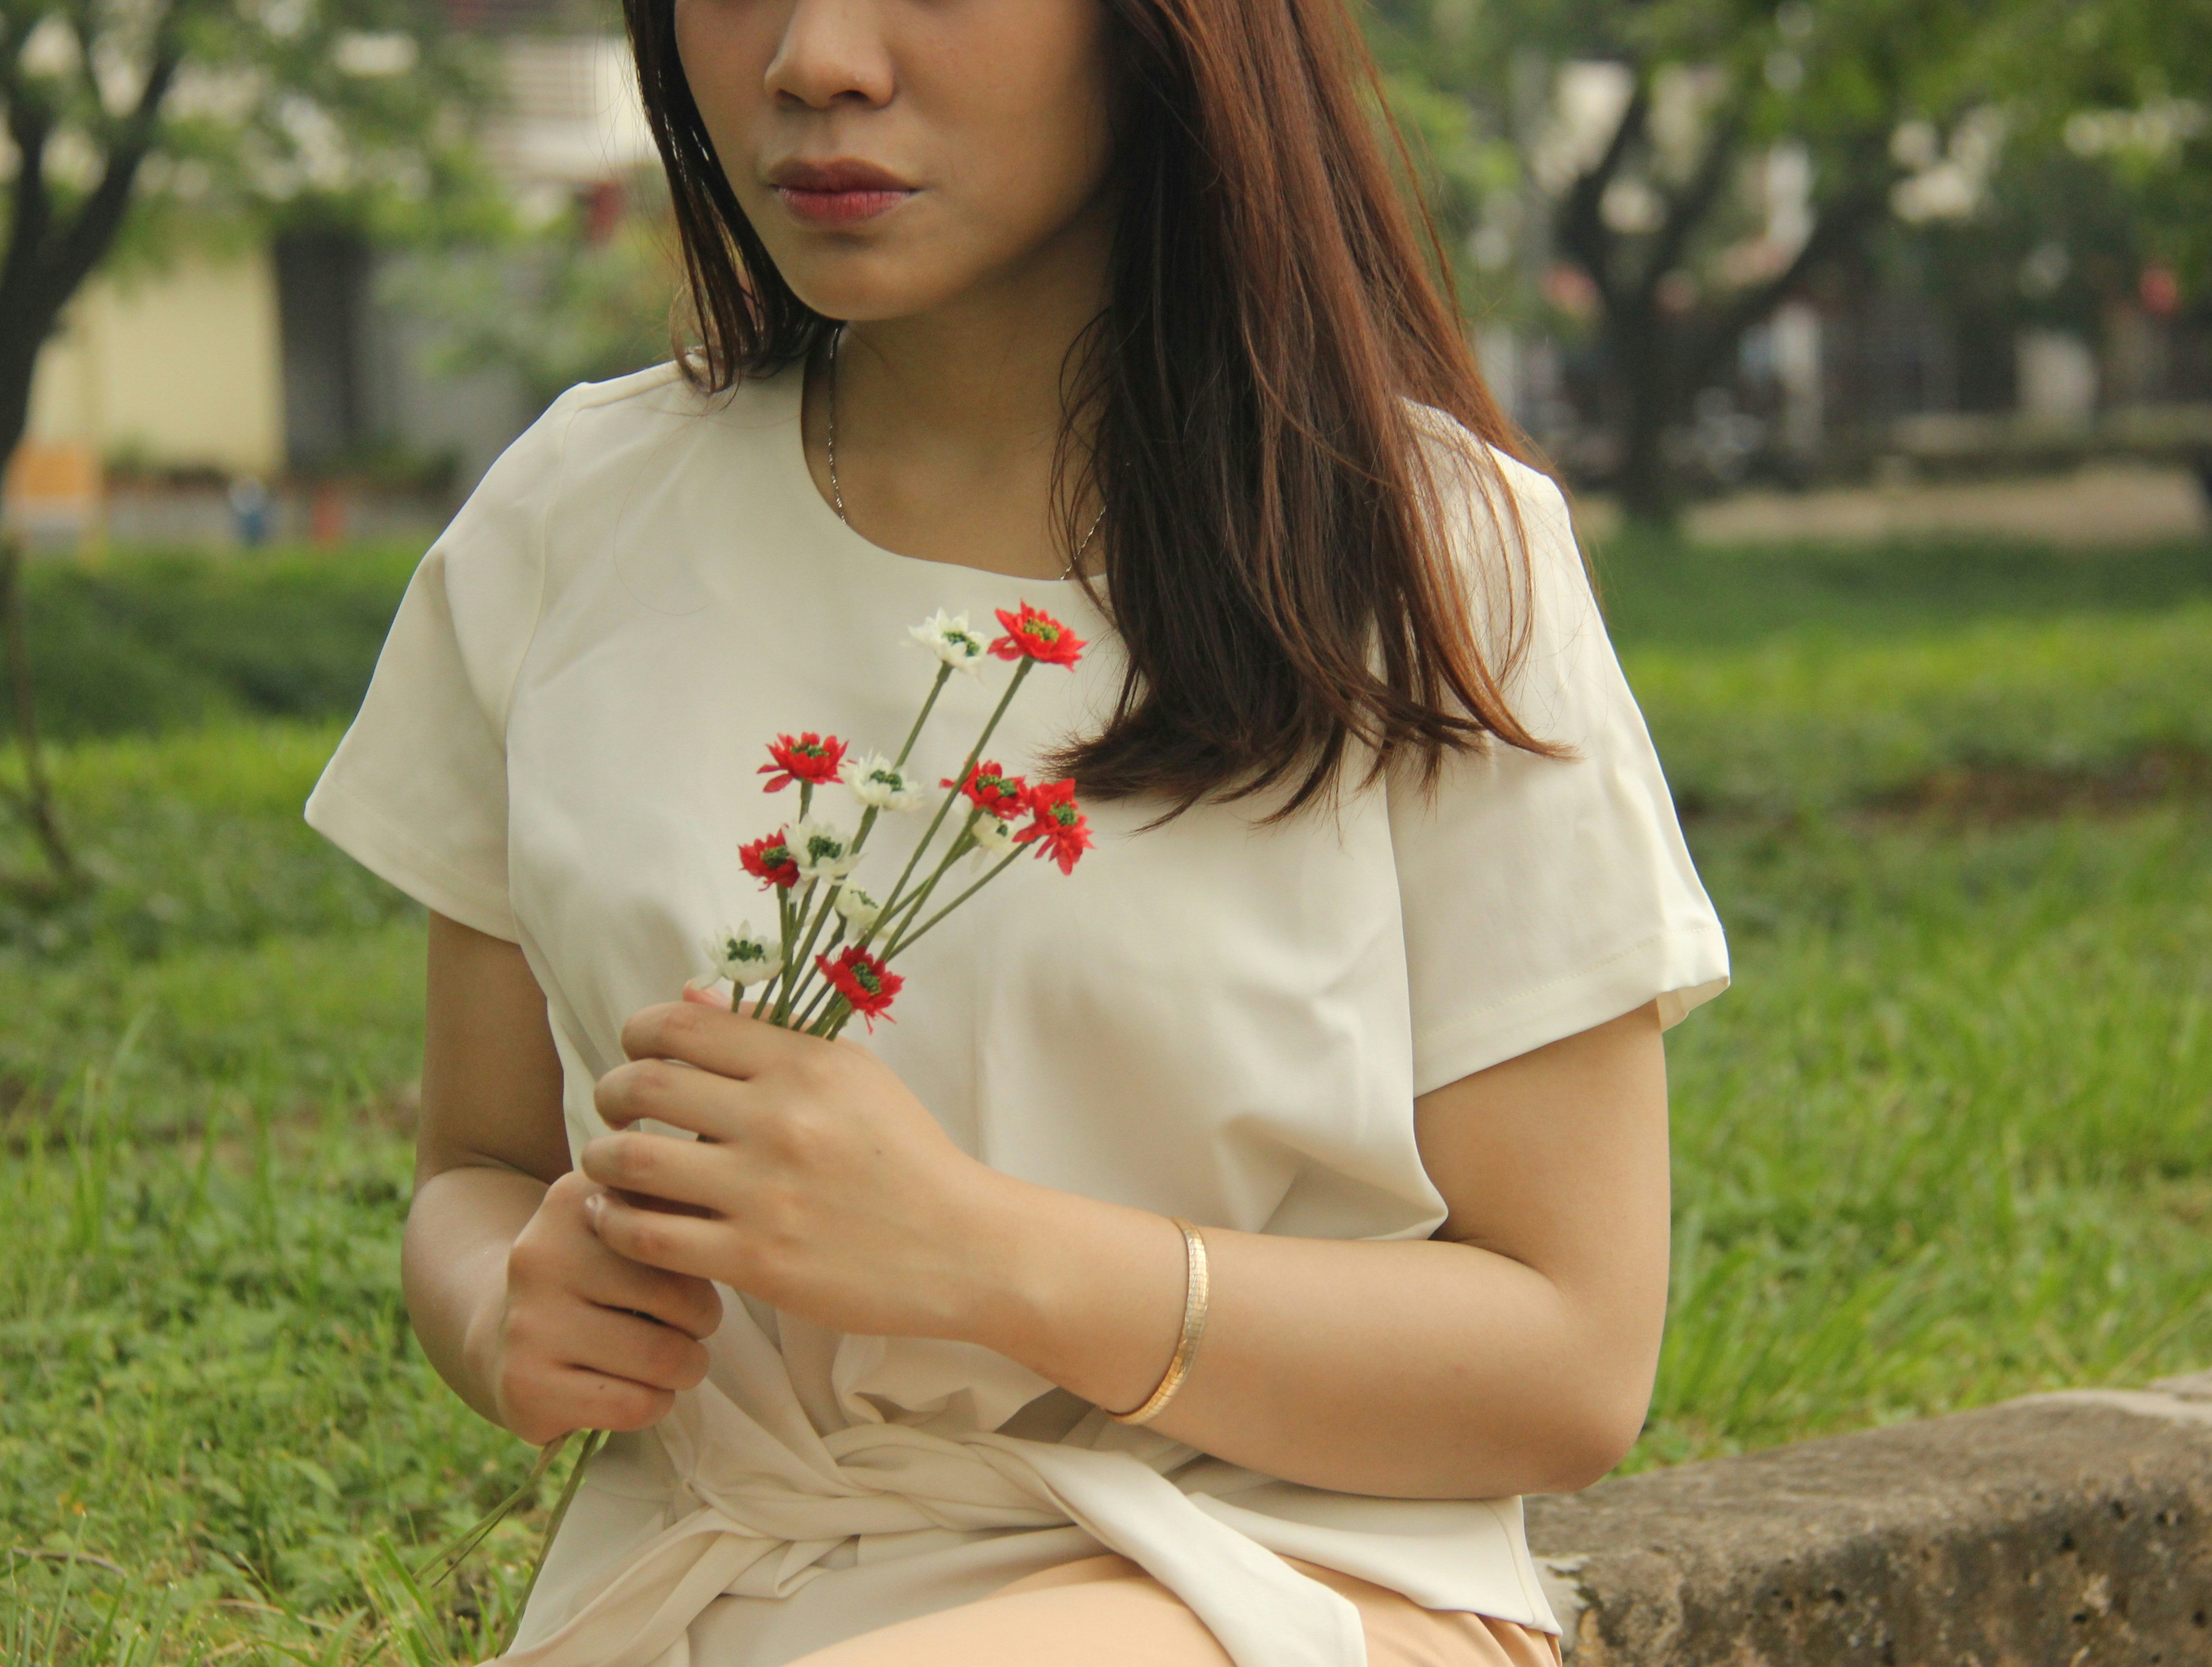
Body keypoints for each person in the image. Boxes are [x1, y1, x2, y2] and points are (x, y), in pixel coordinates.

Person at [303, 1, 1729, 1663]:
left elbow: (1569, 1359)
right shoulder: (573, 521)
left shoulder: (1425, 561)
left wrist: (982, 1256)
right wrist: (505, 1307)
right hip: (705, 1582)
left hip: (1278, 1571)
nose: (816, 58)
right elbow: (480, 1171)